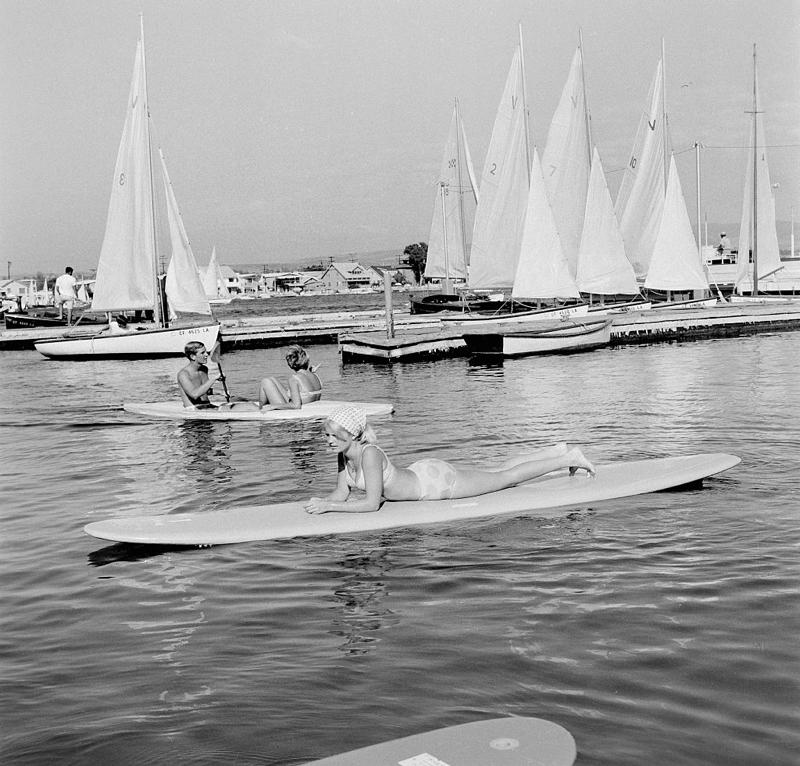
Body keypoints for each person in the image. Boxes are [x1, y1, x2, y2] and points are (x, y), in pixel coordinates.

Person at [304, 405, 595, 514]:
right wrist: (321, 502)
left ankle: (569, 457)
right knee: (495, 472)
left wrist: (328, 509)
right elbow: (342, 492)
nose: (326, 440)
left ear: (351, 434)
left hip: (435, 485)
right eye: (326, 435)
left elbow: (371, 503)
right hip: (422, 473)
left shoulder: (368, 454)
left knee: (506, 479)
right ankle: (554, 451)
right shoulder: (345, 456)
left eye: (331, 435)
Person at [258, 345, 322, 410]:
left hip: (293, 412)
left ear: (290, 364)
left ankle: (261, 409)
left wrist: (274, 406)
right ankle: (262, 405)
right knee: (272, 379)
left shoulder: (294, 379)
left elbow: (296, 406)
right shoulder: (315, 375)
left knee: (265, 381)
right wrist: (311, 371)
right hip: (308, 403)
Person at [177, 341, 225, 409]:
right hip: (194, 410)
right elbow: (195, 394)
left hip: (208, 406)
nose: (206, 355)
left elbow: (205, 390)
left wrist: (221, 392)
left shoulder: (204, 369)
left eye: (205, 352)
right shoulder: (183, 374)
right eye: (202, 353)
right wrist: (213, 379)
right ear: (193, 356)